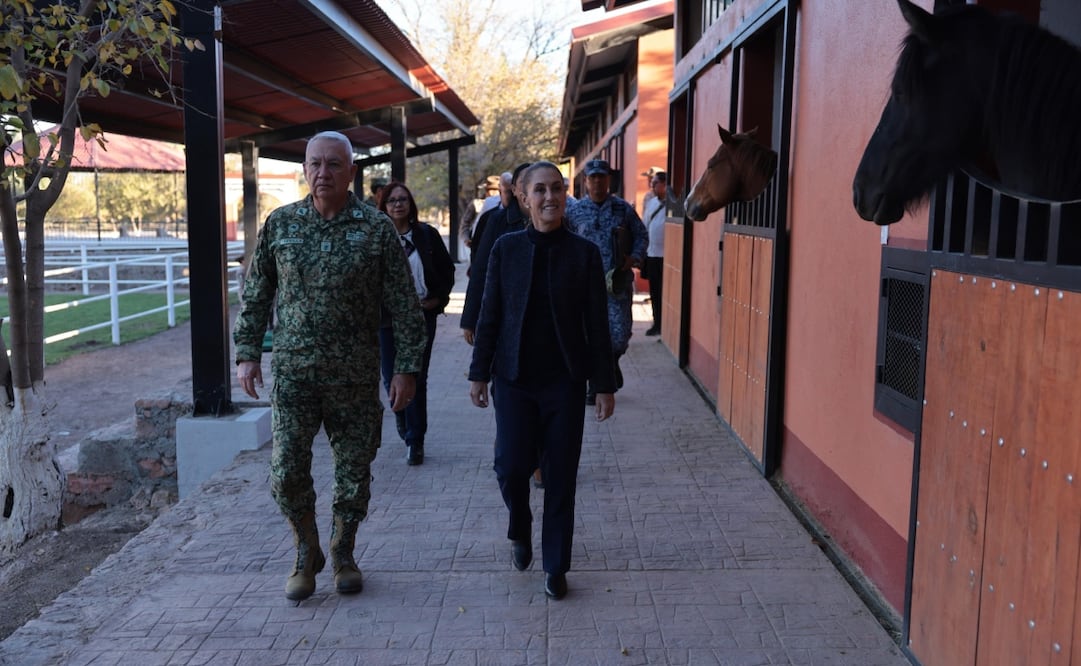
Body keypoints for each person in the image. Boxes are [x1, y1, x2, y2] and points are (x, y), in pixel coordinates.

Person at [233, 131, 425, 602]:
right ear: (304, 169)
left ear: (351, 172)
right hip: (295, 375)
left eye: (334, 165)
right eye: (315, 164)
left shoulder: (377, 230)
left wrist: (406, 368)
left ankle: (342, 550)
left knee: (354, 471)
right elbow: (257, 293)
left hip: (355, 377)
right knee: (285, 472)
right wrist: (247, 352)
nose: (323, 173)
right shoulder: (281, 225)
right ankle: (306, 548)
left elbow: (404, 306)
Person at [468, 161, 616, 600]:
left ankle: (555, 565)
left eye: (557, 188)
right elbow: (489, 313)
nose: (549, 197)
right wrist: (479, 372)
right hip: (513, 379)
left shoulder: (583, 253)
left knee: (560, 474)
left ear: (565, 194)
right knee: (510, 467)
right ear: (522, 196)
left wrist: (604, 383)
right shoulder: (506, 248)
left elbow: (597, 324)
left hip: (565, 383)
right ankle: (520, 526)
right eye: (540, 190)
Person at [377, 181, 455, 466]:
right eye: (392, 201)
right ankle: (400, 414)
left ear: (411, 204)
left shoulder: (427, 235)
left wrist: (438, 301)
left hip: (422, 316)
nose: (398, 204)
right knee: (390, 375)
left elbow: (446, 271)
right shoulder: (377, 237)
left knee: (416, 377)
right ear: (384, 206)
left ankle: (415, 438)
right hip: (387, 319)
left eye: (403, 200)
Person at [565, 158, 648, 403]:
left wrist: (634, 257)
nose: (598, 181)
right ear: (586, 181)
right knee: (588, 335)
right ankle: (595, 383)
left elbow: (641, 236)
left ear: (608, 179)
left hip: (616, 284)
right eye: (593, 177)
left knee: (620, 336)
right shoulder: (574, 211)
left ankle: (612, 364)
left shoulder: (622, 209)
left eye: (602, 176)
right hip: (583, 285)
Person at [460, 162, 531, 345]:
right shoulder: (495, 220)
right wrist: (470, 319)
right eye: (524, 181)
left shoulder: (556, 220)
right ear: (514, 189)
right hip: (504, 311)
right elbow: (481, 268)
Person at [468, 171, 513, 270]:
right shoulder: (484, 205)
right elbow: (470, 225)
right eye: (490, 190)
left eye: (495, 190)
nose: (493, 192)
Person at [643, 171, 667, 336]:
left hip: (666, 256)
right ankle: (656, 323)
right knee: (654, 292)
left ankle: (665, 324)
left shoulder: (674, 204)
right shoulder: (651, 202)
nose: (652, 186)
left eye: (655, 183)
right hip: (652, 254)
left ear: (664, 185)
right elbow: (645, 224)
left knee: (664, 292)